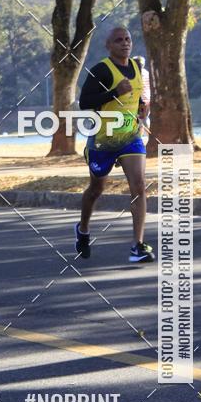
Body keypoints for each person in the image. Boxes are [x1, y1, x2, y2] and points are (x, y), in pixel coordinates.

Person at [74, 26, 154, 263]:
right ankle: (83, 230)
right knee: (96, 190)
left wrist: (141, 110)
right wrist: (113, 93)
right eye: (118, 40)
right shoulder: (101, 70)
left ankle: (137, 246)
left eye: (128, 39)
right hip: (103, 139)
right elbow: (85, 103)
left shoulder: (137, 68)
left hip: (130, 137)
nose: (124, 43)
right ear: (108, 45)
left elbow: (139, 97)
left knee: (138, 186)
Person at [134, 55, 151, 146]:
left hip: (140, 101)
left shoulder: (135, 73)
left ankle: (139, 138)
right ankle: (145, 137)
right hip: (148, 99)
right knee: (144, 119)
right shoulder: (147, 72)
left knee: (139, 120)